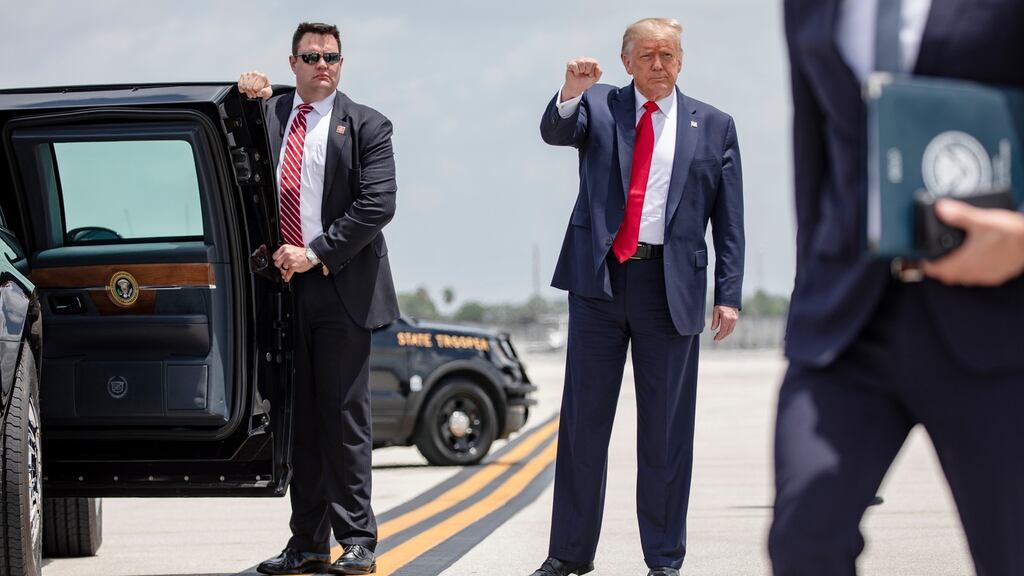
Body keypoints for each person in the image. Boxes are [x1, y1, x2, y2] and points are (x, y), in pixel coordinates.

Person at [771, 1, 1024, 575]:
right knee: (804, 544)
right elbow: (816, 157)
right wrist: (811, 294)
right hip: (849, 322)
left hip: (1002, 317)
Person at [531, 17, 745, 576]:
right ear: (626, 62)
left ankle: (664, 560)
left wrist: (728, 294)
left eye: (668, 55)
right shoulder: (600, 106)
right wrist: (571, 92)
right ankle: (569, 555)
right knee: (583, 427)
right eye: (647, 56)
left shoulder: (715, 125)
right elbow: (556, 131)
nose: (659, 65)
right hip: (600, 284)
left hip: (670, 289)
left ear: (681, 60)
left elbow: (730, 220)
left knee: (667, 434)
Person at [238, 21, 399, 576]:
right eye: (310, 56)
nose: (322, 64)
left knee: (343, 417)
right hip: (282, 292)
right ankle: (306, 543)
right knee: (300, 420)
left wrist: (316, 252)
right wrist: (245, 90)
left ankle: (357, 540)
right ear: (293, 64)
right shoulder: (273, 115)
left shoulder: (368, 125)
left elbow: (378, 206)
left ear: (341, 61)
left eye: (331, 56)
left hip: (341, 285)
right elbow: (234, 144)